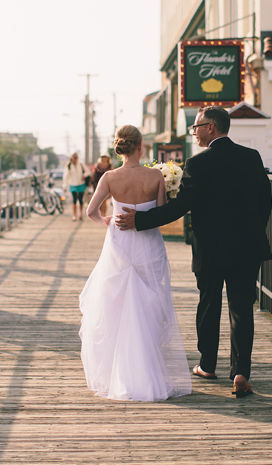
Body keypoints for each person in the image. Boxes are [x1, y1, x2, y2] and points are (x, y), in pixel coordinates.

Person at [114, 106, 272, 398]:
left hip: (210, 248)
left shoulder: (198, 164)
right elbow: (266, 202)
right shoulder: (252, 158)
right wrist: (253, 232)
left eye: (196, 127)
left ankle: (208, 365)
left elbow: (179, 207)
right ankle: (240, 372)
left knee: (209, 304)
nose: (194, 132)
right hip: (248, 248)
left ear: (211, 127)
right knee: (241, 309)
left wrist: (141, 220)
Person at [78, 125, 191, 401]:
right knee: (150, 303)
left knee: (117, 305)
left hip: (119, 245)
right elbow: (162, 214)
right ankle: (147, 369)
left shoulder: (109, 176)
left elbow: (91, 210)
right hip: (148, 243)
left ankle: (121, 373)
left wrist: (106, 221)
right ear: (141, 147)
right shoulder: (155, 176)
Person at [63, 153, 88, 221]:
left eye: (77, 157)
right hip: (73, 184)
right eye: (74, 157)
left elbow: (87, 172)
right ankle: (74, 215)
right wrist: (65, 186)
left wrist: (84, 175)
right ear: (72, 158)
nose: (76, 159)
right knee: (74, 200)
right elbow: (66, 177)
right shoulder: (69, 166)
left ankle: (81, 214)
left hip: (81, 184)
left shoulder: (81, 164)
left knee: (80, 199)